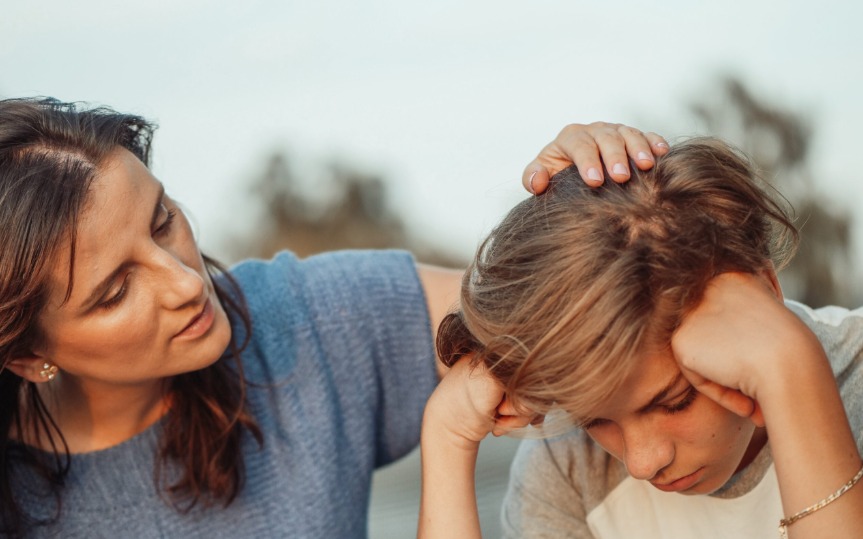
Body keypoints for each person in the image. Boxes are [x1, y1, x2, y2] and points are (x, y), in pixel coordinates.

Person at [0, 97, 668, 537]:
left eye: (162, 221)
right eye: (115, 291)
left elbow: (568, 304)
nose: (186, 282)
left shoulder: (306, 319)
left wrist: (600, 206)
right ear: (29, 356)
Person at [419, 137, 863, 538]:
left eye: (674, 401)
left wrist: (791, 370)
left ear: (765, 291)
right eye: (594, 420)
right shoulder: (569, 470)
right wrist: (447, 438)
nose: (642, 462)